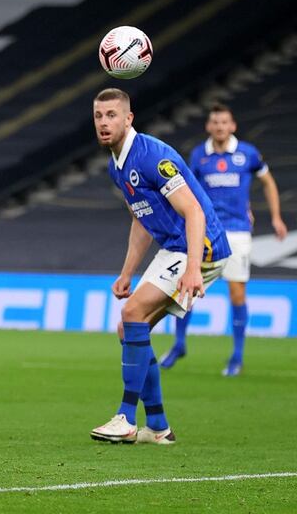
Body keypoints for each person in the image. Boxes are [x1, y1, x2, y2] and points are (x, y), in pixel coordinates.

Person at [89, 88, 231, 445]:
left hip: (202, 246)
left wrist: (194, 268)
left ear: (128, 119)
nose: (104, 123)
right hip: (174, 247)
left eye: (111, 115)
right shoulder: (116, 165)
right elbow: (142, 219)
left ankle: (125, 417)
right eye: (98, 116)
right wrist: (127, 271)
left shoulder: (152, 156)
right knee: (129, 328)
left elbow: (194, 211)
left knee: (133, 312)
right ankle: (158, 427)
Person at [159, 104, 287, 376]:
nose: (219, 126)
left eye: (224, 122)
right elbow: (188, 190)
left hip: (238, 231)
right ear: (208, 126)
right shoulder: (199, 156)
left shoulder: (247, 154)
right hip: (206, 231)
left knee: (237, 292)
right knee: (189, 288)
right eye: (215, 122)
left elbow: (269, 182)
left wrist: (275, 217)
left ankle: (237, 356)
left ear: (233, 126)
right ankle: (179, 344)